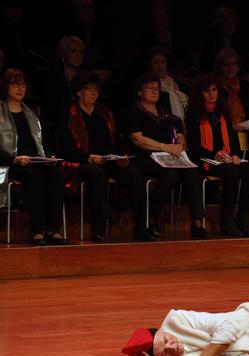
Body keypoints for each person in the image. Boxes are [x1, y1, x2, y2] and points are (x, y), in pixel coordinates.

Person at [58, 71, 153, 242]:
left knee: (133, 172)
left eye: (96, 90)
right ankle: (99, 229)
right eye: (89, 89)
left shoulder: (105, 113)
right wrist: (89, 157)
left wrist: (122, 156)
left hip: (108, 160)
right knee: (97, 173)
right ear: (79, 91)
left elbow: (116, 140)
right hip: (82, 161)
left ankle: (140, 226)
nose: (94, 93)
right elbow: (65, 149)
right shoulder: (68, 114)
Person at [123, 72, 208, 240]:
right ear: (139, 92)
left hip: (170, 156)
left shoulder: (164, 112)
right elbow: (138, 139)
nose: (154, 91)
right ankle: (153, 219)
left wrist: (181, 141)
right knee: (170, 175)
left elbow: (179, 132)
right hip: (146, 157)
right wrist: (165, 147)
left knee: (193, 173)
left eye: (157, 88)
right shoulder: (133, 112)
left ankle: (197, 223)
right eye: (150, 88)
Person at [0, 68, 69, 245]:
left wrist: (50, 156)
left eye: (23, 85)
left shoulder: (30, 113)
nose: (20, 89)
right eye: (15, 85)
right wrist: (15, 159)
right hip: (10, 164)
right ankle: (37, 230)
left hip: (34, 161)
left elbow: (42, 142)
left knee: (56, 176)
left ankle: (53, 229)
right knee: (34, 177)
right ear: (6, 87)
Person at [185, 74, 249, 237]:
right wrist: (214, 155)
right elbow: (194, 147)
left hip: (226, 158)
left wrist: (236, 155)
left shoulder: (223, 113)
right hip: (204, 160)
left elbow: (233, 139)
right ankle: (227, 217)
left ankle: (243, 216)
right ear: (200, 94)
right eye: (207, 91)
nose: (211, 94)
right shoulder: (193, 115)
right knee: (231, 172)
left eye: (214, 90)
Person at [213, 48, 249, 129]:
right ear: (219, 67)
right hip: (223, 129)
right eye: (226, 65)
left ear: (238, 66)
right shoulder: (215, 87)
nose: (230, 68)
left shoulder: (245, 86)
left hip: (245, 128)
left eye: (233, 64)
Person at [146, 46, 188, 124]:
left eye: (163, 62)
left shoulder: (177, 84)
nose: (160, 65)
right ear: (149, 66)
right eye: (155, 62)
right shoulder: (148, 88)